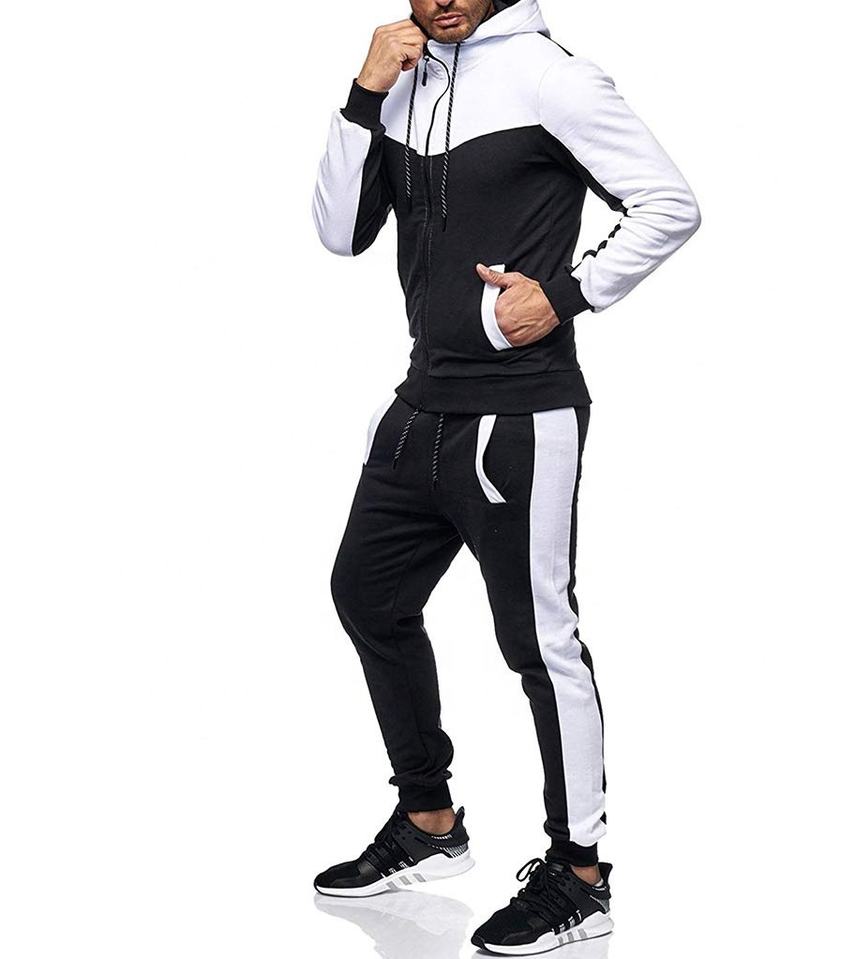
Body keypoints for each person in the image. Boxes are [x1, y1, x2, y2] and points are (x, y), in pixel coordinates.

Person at [310, 0, 699, 952]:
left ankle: (580, 874)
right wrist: (363, 96)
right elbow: (338, 233)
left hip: (519, 414)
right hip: (420, 405)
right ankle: (429, 820)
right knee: (366, 594)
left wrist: (566, 295)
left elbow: (670, 203)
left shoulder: (552, 78)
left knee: (539, 641)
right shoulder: (403, 81)